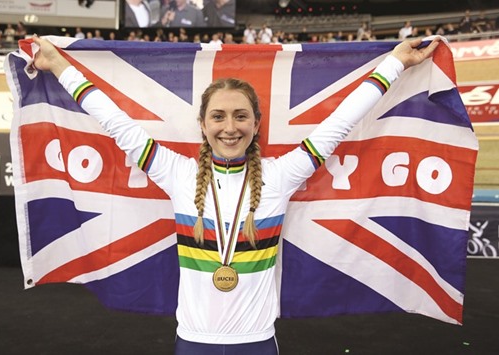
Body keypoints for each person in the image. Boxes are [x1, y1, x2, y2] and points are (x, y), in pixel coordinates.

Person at [30, 34, 439, 354]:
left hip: (258, 342)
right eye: (219, 116)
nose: (230, 127)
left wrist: (396, 63)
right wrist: (60, 65)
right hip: (192, 342)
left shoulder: (280, 177)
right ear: (203, 125)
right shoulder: (178, 173)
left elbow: (339, 123)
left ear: (257, 123)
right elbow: (116, 122)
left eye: (241, 115)